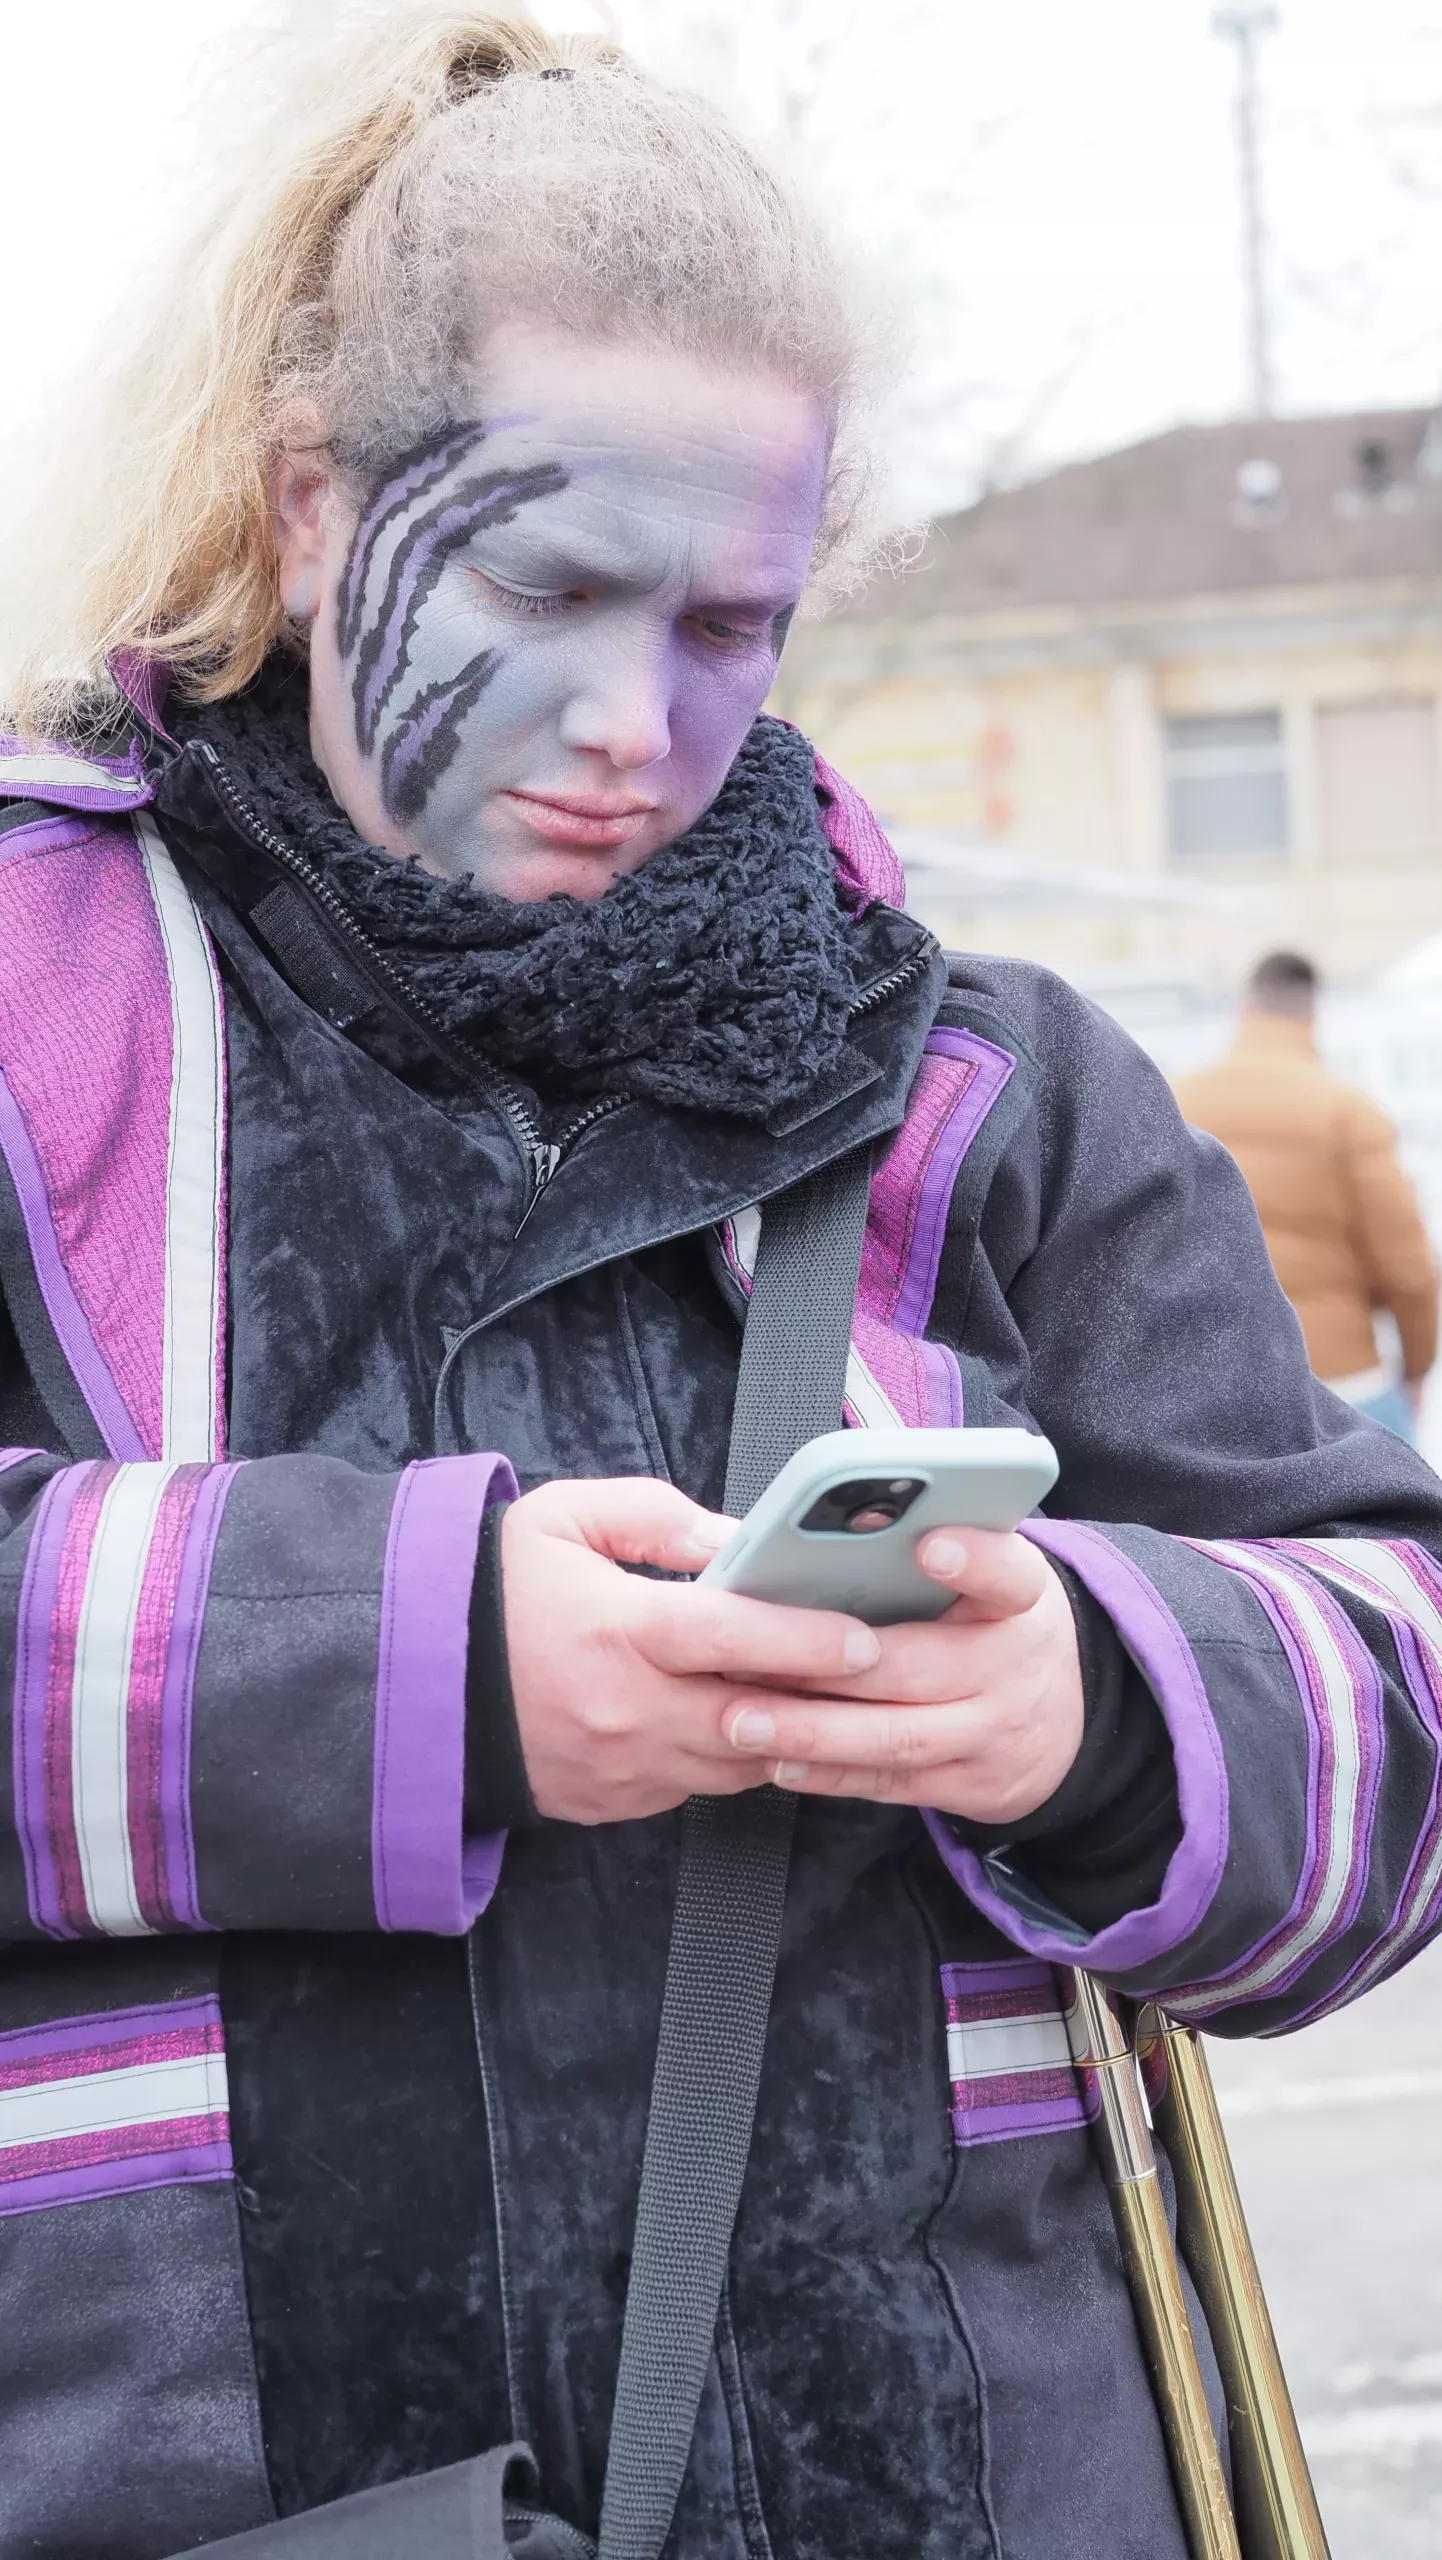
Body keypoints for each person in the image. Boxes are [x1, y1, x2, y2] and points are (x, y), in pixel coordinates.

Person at [2, 18, 1442, 2559]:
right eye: (542, 584)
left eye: (730, 622)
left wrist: (1093, 1695)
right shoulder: (31, 1020)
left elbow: (1403, 1694)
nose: (627, 723)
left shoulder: (998, 1089)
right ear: (311, 506)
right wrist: (421, 1656)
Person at [1175, 949, 1438, 1440]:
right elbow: (1406, 1269)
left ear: (1244, 1011)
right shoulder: (1348, 1112)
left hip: (1220, 1383)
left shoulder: (1178, 1103)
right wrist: (1417, 1368)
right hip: (1344, 1384)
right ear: (1311, 1017)